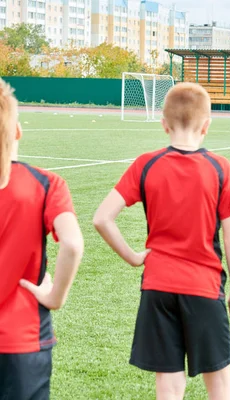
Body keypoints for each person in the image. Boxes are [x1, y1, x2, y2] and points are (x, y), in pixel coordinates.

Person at [93, 82, 230, 400]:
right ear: (206, 125)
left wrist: (135, 257)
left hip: (157, 287)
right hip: (203, 287)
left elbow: (101, 218)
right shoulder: (221, 169)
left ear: (163, 124)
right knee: (218, 381)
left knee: (168, 383)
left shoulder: (146, 165)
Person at [0, 78, 84, 399]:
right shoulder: (47, 184)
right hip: (23, 341)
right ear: (17, 130)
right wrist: (55, 297)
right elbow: (73, 244)